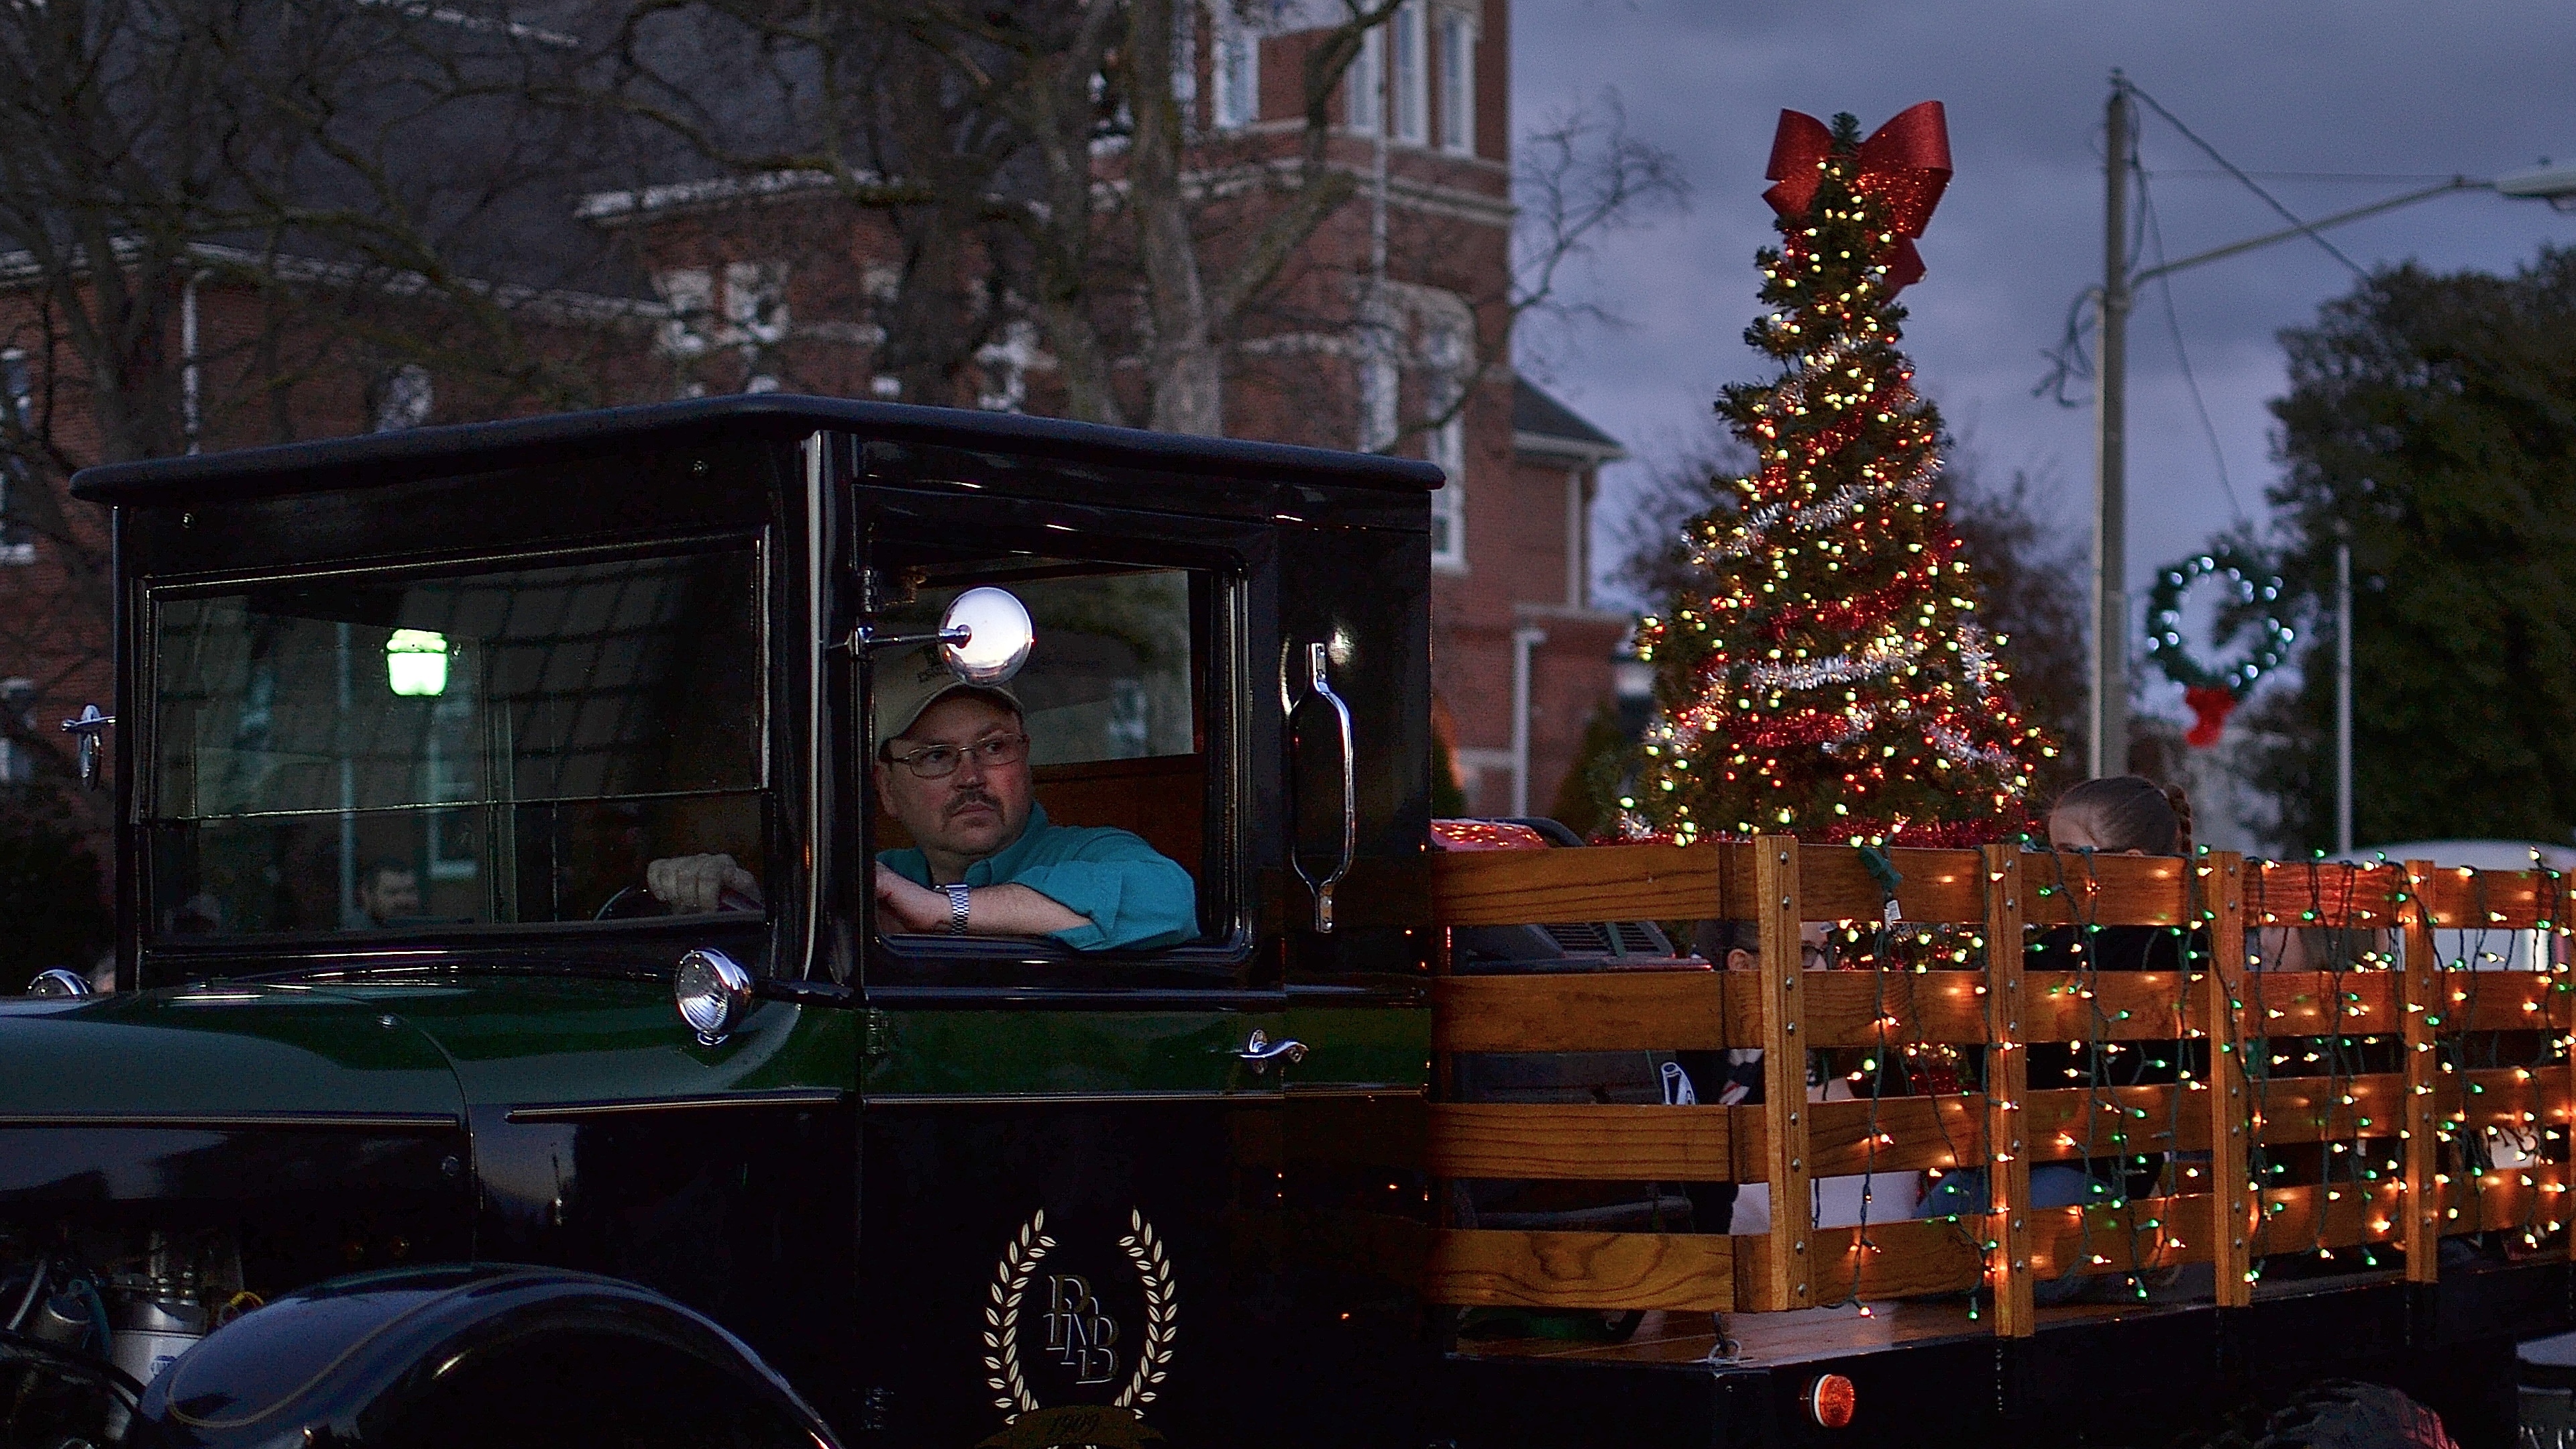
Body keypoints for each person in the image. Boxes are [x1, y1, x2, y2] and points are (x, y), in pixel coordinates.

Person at [649, 657, 1197, 953]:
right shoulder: (888, 876)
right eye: (935, 756)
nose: (971, 776)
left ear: (1024, 761)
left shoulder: (1096, 853)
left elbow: (1167, 900)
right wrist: (734, 899)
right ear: (886, 789)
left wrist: (939, 911)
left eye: (994, 747)